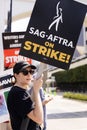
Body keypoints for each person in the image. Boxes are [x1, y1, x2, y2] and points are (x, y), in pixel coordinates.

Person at [7, 61, 43, 130]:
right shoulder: (18, 93)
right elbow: (39, 119)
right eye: (25, 72)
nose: (29, 75)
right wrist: (36, 91)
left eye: (31, 72)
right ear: (16, 75)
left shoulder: (20, 91)